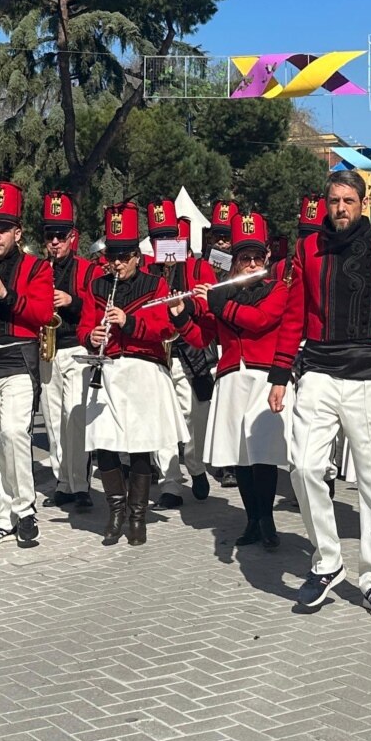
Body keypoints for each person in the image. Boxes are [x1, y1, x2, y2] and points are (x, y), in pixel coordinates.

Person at [270, 170, 371, 620]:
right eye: (334, 201)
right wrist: (280, 374)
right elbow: (293, 314)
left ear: (362, 204)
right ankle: (327, 562)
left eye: (349, 201)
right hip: (318, 371)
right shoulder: (307, 248)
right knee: (302, 466)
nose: (340, 208)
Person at [81, 203, 184, 546]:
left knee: (140, 448)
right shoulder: (97, 286)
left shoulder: (155, 285)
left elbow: (165, 327)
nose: (118, 262)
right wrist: (90, 336)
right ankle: (115, 512)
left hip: (142, 370)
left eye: (124, 256)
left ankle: (137, 517)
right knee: (104, 445)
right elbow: (84, 324)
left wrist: (130, 322)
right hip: (107, 370)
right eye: (113, 255)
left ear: (138, 256)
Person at [185, 211, 287, 550]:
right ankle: (252, 520)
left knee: (263, 454)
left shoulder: (276, 290)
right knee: (240, 455)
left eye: (258, 257)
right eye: (245, 258)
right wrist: (185, 314)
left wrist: (217, 303)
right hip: (230, 377)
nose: (252, 263)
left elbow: (259, 321)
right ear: (235, 260)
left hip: (262, 377)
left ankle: (268, 520)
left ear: (266, 258)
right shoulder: (221, 291)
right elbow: (204, 338)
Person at [0, 180, 55, 548]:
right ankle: (2, 515)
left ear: (17, 233)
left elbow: (42, 312)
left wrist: (5, 293)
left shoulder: (36, 268)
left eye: (2, 230)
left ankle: (26, 509)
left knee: (14, 434)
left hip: (18, 359)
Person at [146, 201, 216, 510]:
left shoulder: (198, 268)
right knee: (161, 419)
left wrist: (186, 306)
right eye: (157, 237)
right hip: (158, 355)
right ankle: (170, 485)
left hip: (190, 354)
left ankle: (195, 464)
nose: (163, 244)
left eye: (167, 236)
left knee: (192, 419)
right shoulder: (149, 271)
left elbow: (210, 303)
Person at [38, 191, 95, 510]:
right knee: (53, 419)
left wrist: (72, 302)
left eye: (61, 235)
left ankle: (82, 484)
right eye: (50, 236)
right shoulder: (39, 269)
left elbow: (98, 305)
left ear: (73, 236)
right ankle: (63, 482)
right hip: (48, 351)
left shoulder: (86, 269)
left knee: (75, 419)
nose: (55, 242)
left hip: (76, 349)